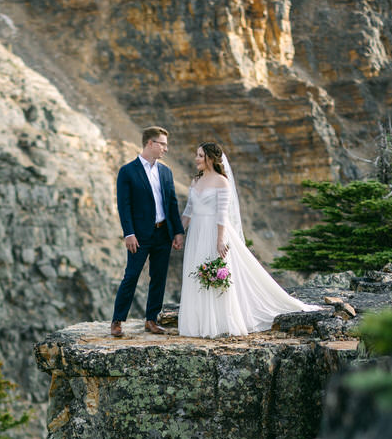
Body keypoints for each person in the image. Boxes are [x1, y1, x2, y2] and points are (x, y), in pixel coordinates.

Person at [178, 141, 318, 338]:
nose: (196, 159)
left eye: (200, 155)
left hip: (214, 232)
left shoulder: (221, 182)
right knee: (196, 273)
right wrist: (178, 232)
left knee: (215, 273)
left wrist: (220, 240)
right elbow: (188, 211)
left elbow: (221, 214)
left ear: (210, 158)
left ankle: (219, 323)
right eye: (197, 155)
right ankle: (199, 323)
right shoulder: (196, 181)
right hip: (196, 234)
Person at [110, 126, 186, 338]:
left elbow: (171, 204)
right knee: (131, 276)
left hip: (163, 234)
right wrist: (129, 233)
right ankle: (117, 321)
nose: (165, 149)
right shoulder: (127, 171)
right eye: (162, 144)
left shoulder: (166, 172)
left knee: (159, 277)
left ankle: (151, 320)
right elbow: (123, 205)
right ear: (150, 143)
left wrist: (177, 232)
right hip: (139, 236)